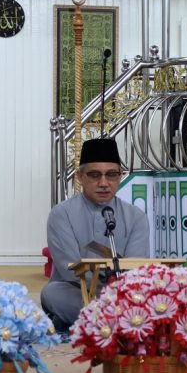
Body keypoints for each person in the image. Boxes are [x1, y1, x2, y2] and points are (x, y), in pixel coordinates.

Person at [41, 137, 150, 330]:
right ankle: (120, 320)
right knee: (52, 293)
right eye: (94, 175)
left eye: (111, 175)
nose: (103, 183)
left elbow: (135, 268)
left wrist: (117, 288)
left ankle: (100, 320)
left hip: (123, 293)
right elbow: (70, 270)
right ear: (80, 177)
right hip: (77, 291)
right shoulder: (61, 214)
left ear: (120, 176)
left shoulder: (136, 217)